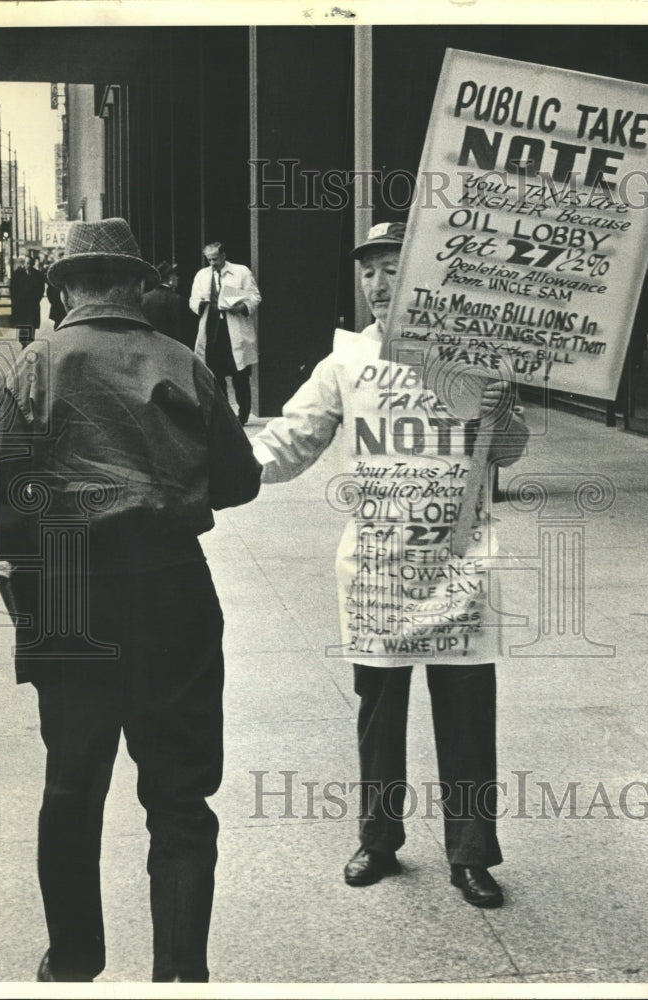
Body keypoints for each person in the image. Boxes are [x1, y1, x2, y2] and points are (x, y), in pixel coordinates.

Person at [0, 217, 262, 983]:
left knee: (71, 788)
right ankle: (179, 973)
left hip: (72, 588)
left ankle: (74, 960)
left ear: (66, 288)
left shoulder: (33, 364)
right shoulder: (182, 359)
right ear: (137, 286)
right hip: (174, 586)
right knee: (180, 795)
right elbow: (239, 481)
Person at [253, 222, 529, 908]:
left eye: (392, 269)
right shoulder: (345, 362)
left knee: (466, 710)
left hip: (458, 561)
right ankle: (378, 840)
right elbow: (291, 439)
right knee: (379, 708)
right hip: (379, 563)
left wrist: (504, 409)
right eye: (369, 271)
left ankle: (471, 853)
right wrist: (217, 467)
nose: (379, 284)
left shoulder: (472, 357)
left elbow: (510, 451)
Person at [190, 241, 260, 426]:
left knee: (240, 375)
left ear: (223, 256)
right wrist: (200, 304)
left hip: (234, 329)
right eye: (209, 259)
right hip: (212, 330)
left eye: (215, 259)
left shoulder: (241, 272)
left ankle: (243, 414)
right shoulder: (202, 276)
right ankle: (224, 414)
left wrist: (242, 306)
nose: (212, 263)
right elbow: (193, 299)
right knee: (215, 374)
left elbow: (255, 296)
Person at [142, 260, 195, 346]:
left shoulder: (144, 297)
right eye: (175, 276)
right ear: (171, 279)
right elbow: (178, 328)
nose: (177, 279)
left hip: (148, 344)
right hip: (169, 346)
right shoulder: (175, 299)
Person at [9, 253, 46, 339]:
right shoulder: (17, 275)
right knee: (22, 324)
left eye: (30, 263)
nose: (28, 265)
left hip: (33, 304)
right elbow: (13, 288)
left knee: (32, 324)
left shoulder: (38, 275)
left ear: (32, 264)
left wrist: (37, 299)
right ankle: (23, 340)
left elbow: (41, 289)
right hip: (21, 304)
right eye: (27, 263)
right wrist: (16, 301)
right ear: (24, 264)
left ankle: (30, 340)